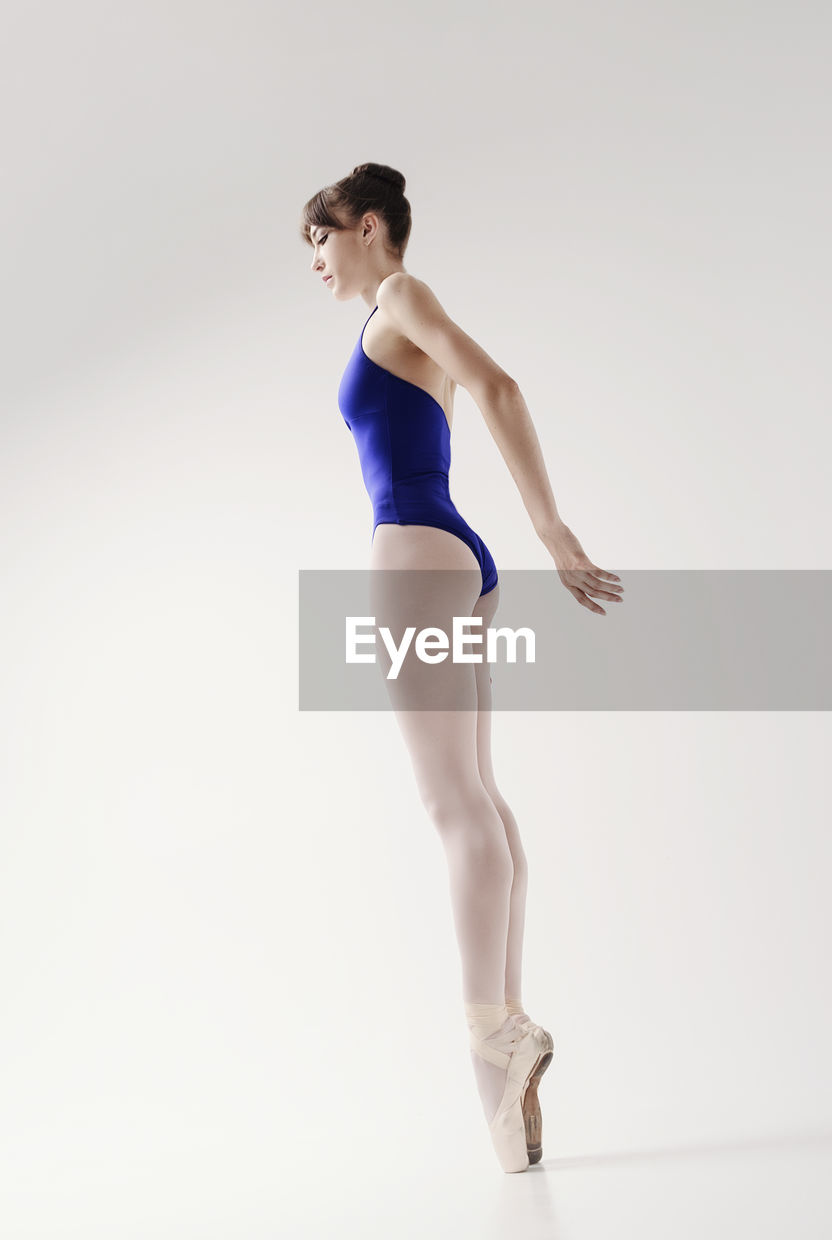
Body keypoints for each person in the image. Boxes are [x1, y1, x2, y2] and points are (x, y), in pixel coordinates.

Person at [300, 161, 623, 1172]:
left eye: (319, 238)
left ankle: (492, 1029)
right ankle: (506, 1049)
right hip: (452, 554)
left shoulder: (398, 295)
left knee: (453, 807)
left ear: (365, 227)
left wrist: (554, 528)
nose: (314, 260)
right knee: (476, 798)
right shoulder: (390, 315)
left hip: (413, 548)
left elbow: (498, 383)